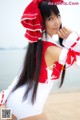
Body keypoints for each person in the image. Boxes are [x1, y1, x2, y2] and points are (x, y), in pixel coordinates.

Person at [0, 0, 80, 120]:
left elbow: (20, 75)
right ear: (40, 22)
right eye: (50, 19)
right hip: (29, 109)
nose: (57, 22)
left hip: (10, 102)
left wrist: (4, 98)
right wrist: (74, 38)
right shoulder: (51, 50)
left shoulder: (35, 45)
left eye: (57, 16)